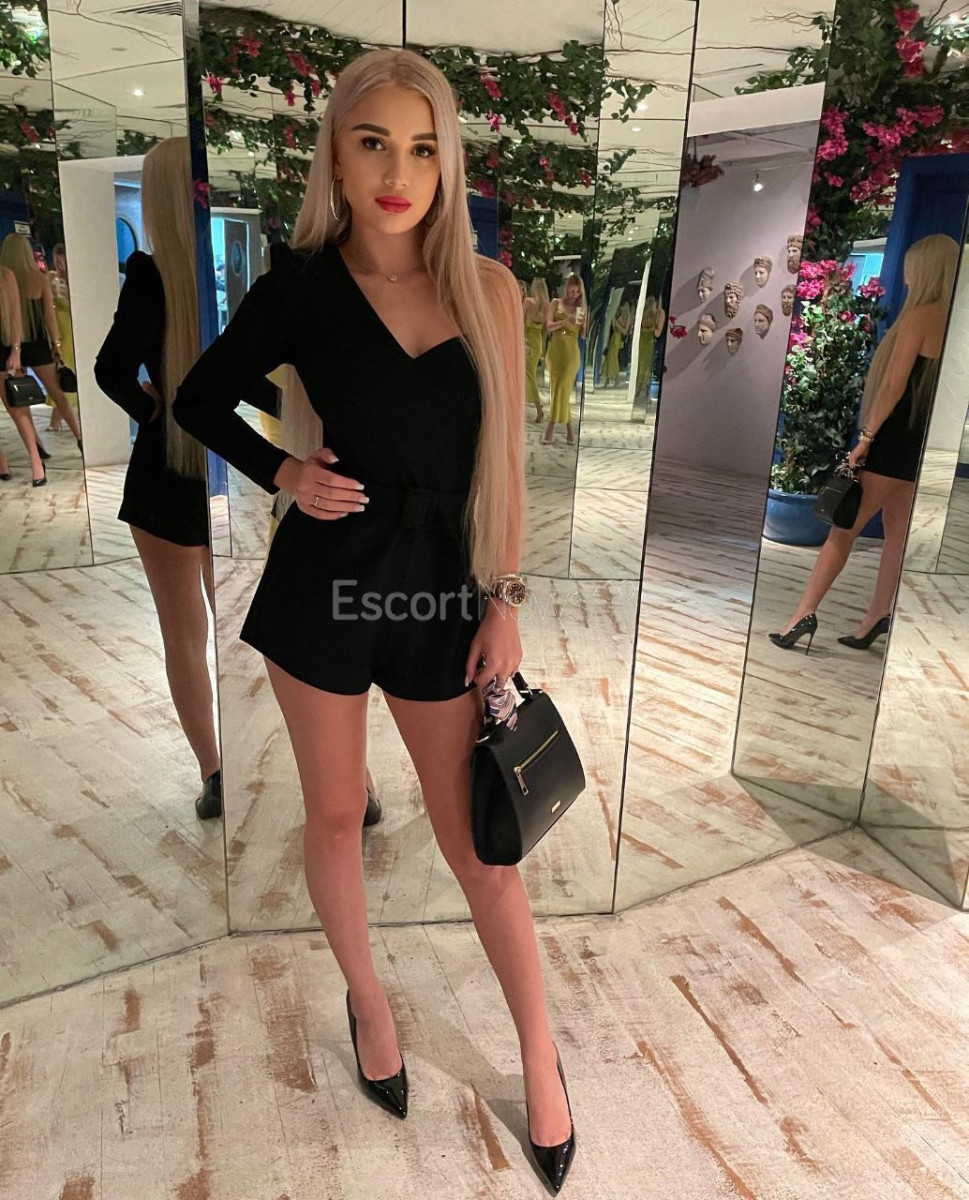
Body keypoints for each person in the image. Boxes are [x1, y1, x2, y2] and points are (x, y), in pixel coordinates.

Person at [172, 48, 576, 1193]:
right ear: (337, 161)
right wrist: (283, 471)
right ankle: (368, 1002)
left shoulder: (488, 290)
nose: (398, 173)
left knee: (479, 849)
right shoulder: (301, 286)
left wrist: (504, 600)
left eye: (422, 148)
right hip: (326, 583)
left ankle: (539, 1057)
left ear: (447, 165)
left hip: (441, 592)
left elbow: (504, 464)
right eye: (373, 145)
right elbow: (200, 396)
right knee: (337, 814)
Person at [93, 136, 222, 821]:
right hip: (228, 467)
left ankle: (215, 772)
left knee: (184, 637)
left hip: (165, 469)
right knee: (256, 629)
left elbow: (109, 370)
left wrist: (154, 409)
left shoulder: (149, 275)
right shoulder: (220, 279)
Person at [769, 233, 959, 653]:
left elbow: (892, 385)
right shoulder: (953, 321)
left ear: (922, 271)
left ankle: (803, 615)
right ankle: (876, 616)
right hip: (922, 443)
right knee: (896, 534)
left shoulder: (919, 315)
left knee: (843, 530)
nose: (906, 276)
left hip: (892, 442)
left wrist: (866, 438)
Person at [0, 233, 82, 453]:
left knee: (20, 398)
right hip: (38, 345)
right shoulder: (39, 278)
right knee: (58, 393)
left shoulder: (5, 281)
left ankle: (37, 446)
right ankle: (80, 437)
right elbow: (49, 317)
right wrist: (56, 344)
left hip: (10, 346)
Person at [0, 261, 47, 485]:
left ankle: (36, 460)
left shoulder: (5, 275)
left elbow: (16, 316)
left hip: (3, 347)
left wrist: (16, 350)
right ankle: (1, 460)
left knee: (16, 406)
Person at [543, 273, 587, 446]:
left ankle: (549, 430)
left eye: (577, 292)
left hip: (571, 354)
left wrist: (584, 324)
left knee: (562, 388)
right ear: (566, 288)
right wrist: (564, 322)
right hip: (555, 352)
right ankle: (570, 432)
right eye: (572, 291)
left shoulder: (581, 309)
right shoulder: (555, 303)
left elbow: (582, 336)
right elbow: (548, 326)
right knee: (558, 390)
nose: (574, 295)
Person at [45, 243, 78, 433]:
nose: (59, 266)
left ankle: (64, 419)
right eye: (57, 262)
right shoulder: (51, 277)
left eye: (62, 262)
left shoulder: (75, 278)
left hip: (72, 327)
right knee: (60, 372)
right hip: (58, 328)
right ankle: (56, 420)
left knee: (70, 371)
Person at [523, 276, 549, 423]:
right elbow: (547, 330)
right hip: (537, 344)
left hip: (526, 343)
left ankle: (538, 408)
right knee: (529, 375)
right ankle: (536, 409)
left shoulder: (528, 302)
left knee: (528, 376)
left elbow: (518, 321)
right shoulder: (547, 306)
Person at [601, 300, 631, 387]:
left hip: (618, 337)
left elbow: (625, 332)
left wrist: (618, 325)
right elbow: (614, 328)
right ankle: (607, 379)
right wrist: (614, 323)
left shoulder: (628, 317)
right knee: (609, 357)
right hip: (614, 336)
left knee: (613, 356)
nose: (621, 308)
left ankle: (616, 378)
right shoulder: (619, 315)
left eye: (622, 307)